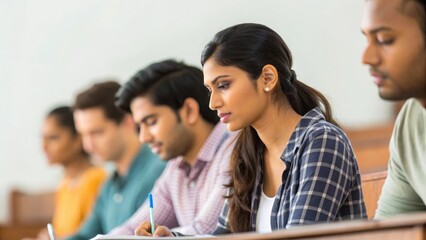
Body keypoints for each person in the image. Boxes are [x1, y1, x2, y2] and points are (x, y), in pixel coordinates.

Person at [141, 23, 367, 237]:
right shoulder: (248, 152)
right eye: (210, 90)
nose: (213, 103)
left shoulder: (322, 141)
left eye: (223, 85)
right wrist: (172, 238)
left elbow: (301, 237)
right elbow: (224, 235)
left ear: (267, 78)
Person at [109, 59, 235, 236]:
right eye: (139, 127)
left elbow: (207, 232)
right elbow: (131, 229)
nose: (143, 137)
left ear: (189, 111)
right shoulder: (176, 166)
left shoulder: (235, 148)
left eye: (151, 122)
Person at [66, 81, 166, 240]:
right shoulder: (109, 186)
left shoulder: (160, 171)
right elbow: (84, 236)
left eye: (97, 133)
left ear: (128, 121)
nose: (88, 146)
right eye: (83, 134)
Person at [361, 0, 426, 218]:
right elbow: (392, 231)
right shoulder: (411, 118)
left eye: (384, 40)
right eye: (367, 39)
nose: (367, 57)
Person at [32, 106, 107, 240]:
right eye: (43, 138)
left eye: (53, 137)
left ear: (78, 139)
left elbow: (92, 234)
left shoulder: (95, 179)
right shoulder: (65, 184)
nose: (44, 146)